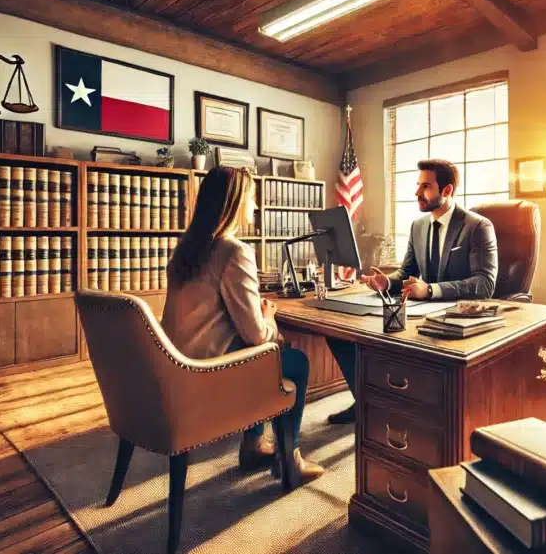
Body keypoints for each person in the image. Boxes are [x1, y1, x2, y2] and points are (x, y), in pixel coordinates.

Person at [161, 166, 324, 483]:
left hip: (179, 370)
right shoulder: (233, 250)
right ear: (234, 203)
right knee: (293, 361)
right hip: (211, 376)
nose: (257, 206)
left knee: (269, 357)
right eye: (251, 198)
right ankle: (289, 459)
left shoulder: (187, 248)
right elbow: (256, 335)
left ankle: (253, 445)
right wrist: (268, 318)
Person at [325, 159, 498, 424]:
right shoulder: (419, 226)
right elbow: (406, 272)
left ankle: (392, 407)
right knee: (341, 335)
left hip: (454, 316)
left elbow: (484, 284)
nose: (418, 192)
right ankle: (366, 401)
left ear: (447, 190)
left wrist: (430, 290)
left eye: (426, 186)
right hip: (419, 310)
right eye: (418, 185)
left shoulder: (477, 227)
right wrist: (387, 283)